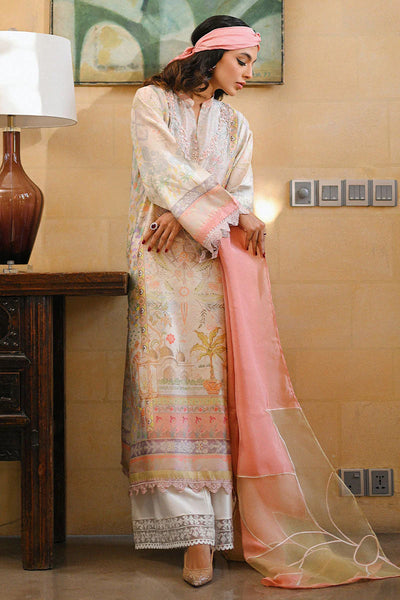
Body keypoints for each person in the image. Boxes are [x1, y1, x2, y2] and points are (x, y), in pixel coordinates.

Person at [122, 15, 400, 589]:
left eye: (252, 62)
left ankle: (221, 531)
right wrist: (182, 209)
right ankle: (193, 538)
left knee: (218, 391)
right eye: (243, 60)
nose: (249, 72)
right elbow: (159, 166)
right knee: (166, 390)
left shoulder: (235, 124)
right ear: (213, 56)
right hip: (160, 261)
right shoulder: (151, 101)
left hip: (211, 263)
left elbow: (241, 190)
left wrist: (197, 211)